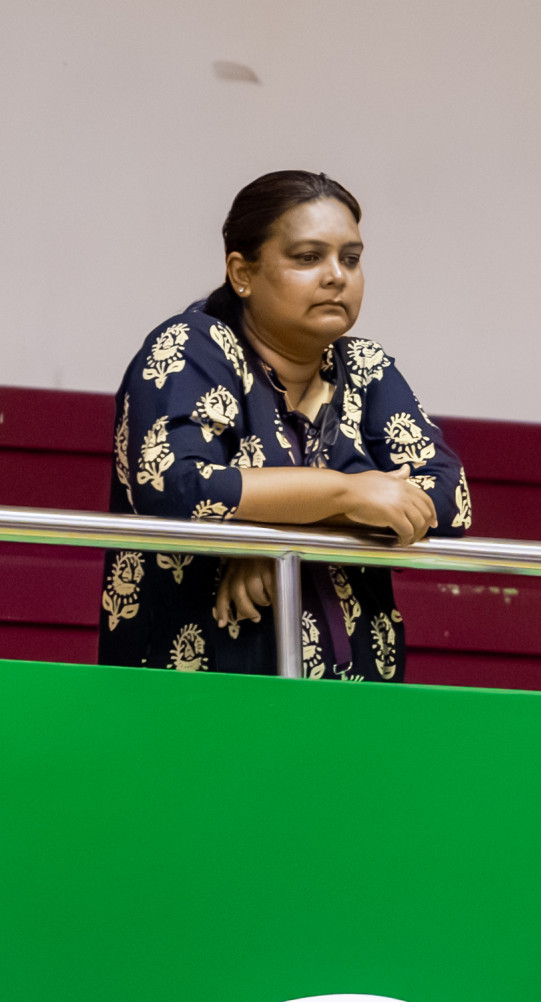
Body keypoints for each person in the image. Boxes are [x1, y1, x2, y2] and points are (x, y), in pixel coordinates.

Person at [99, 170, 472, 680]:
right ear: (242, 273)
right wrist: (344, 494)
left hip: (357, 700)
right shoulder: (193, 347)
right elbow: (177, 485)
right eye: (307, 257)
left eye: (351, 258)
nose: (336, 275)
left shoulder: (366, 368)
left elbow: (449, 498)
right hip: (195, 695)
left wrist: (279, 533)